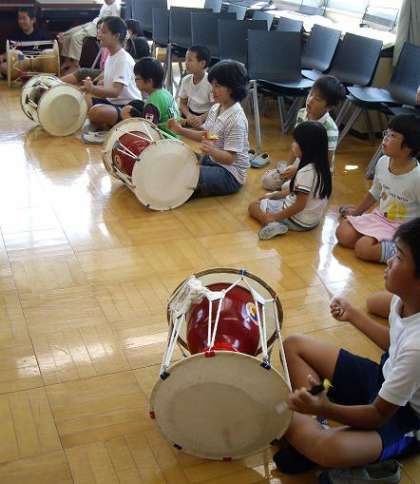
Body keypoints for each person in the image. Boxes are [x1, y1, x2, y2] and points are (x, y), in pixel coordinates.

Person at [273, 218, 420, 478]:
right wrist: (353, 315)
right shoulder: (403, 299)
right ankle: (310, 430)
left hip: (403, 416)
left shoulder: (417, 347)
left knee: (326, 446)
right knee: (294, 345)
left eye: (398, 256)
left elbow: (377, 414)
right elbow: (395, 344)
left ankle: (310, 435)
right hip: (382, 378)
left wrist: (324, 408)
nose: (389, 261)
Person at [336, 114, 420, 264]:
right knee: (343, 233)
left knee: (363, 248)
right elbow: (374, 192)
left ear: (408, 147)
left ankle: (405, 252)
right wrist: (356, 213)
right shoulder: (382, 162)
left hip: (403, 228)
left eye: (392, 136)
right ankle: (377, 239)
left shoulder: (417, 177)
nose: (385, 138)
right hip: (381, 217)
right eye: (386, 133)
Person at [167, 60, 250, 197]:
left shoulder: (236, 120)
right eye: (212, 85)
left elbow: (230, 159)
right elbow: (208, 135)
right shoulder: (216, 108)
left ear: (232, 88)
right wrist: (180, 130)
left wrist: (212, 150)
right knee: (178, 158)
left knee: (185, 175)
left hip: (230, 174)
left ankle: (197, 187)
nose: (212, 90)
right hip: (214, 160)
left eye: (217, 86)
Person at [248, 122, 332, 240]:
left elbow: (299, 205)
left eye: (296, 142)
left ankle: (270, 223)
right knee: (273, 197)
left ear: (307, 146)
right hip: (312, 220)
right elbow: (299, 193)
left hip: (297, 219)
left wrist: (275, 217)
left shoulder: (306, 172)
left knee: (253, 206)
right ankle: (274, 218)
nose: (293, 145)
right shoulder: (322, 168)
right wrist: (275, 194)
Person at [261, 75, 345, 191]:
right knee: (267, 181)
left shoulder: (330, 129)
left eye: (317, 99)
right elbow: (295, 144)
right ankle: (289, 176)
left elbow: (326, 162)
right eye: (311, 94)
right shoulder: (302, 113)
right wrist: (288, 167)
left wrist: (298, 169)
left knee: (286, 188)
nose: (310, 100)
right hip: (302, 159)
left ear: (329, 107)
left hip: (317, 170)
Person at [80, 16, 141, 144]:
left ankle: (113, 127)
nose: (99, 34)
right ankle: (106, 125)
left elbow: (115, 92)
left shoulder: (123, 59)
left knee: (96, 112)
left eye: (103, 32)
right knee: (85, 99)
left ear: (116, 36)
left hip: (128, 106)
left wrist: (93, 88)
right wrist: (94, 86)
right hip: (113, 102)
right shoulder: (111, 55)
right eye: (99, 31)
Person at [121, 57, 179, 137]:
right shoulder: (166, 93)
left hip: (165, 140)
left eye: (137, 79)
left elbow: (148, 132)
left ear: (149, 81)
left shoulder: (152, 103)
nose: (135, 81)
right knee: (134, 105)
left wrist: (128, 119)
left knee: (126, 112)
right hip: (176, 136)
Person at [58, 0, 120, 73]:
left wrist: (100, 30)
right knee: (66, 35)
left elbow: (113, 25)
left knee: (76, 37)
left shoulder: (116, 7)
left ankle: (75, 65)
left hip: (99, 27)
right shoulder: (106, 4)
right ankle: (67, 61)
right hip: (93, 23)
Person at [0, 7, 48, 77]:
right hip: (20, 64)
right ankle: (27, 75)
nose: (21, 21)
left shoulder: (42, 35)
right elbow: (10, 53)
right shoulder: (14, 35)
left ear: (33, 20)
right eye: (20, 18)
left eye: (24, 18)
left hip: (37, 65)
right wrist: (3, 56)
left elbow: (48, 54)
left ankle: (26, 75)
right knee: (3, 66)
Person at [60, 18, 109, 86]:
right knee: (65, 35)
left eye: (103, 32)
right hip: (103, 72)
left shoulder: (118, 54)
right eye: (98, 30)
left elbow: (109, 74)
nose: (99, 34)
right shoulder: (106, 47)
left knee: (82, 72)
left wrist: (94, 86)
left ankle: (55, 84)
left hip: (105, 74)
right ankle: (53, 84)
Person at [178, 45, 213, 128]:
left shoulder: (210, 83)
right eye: (186, 59)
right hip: (190, 114)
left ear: (202, 63)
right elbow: (182, 103)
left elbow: (215, 108)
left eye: (190, 60)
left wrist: (201, 118)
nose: (186, 63)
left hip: (206, 116)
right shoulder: (186, 80)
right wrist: (188, 115)